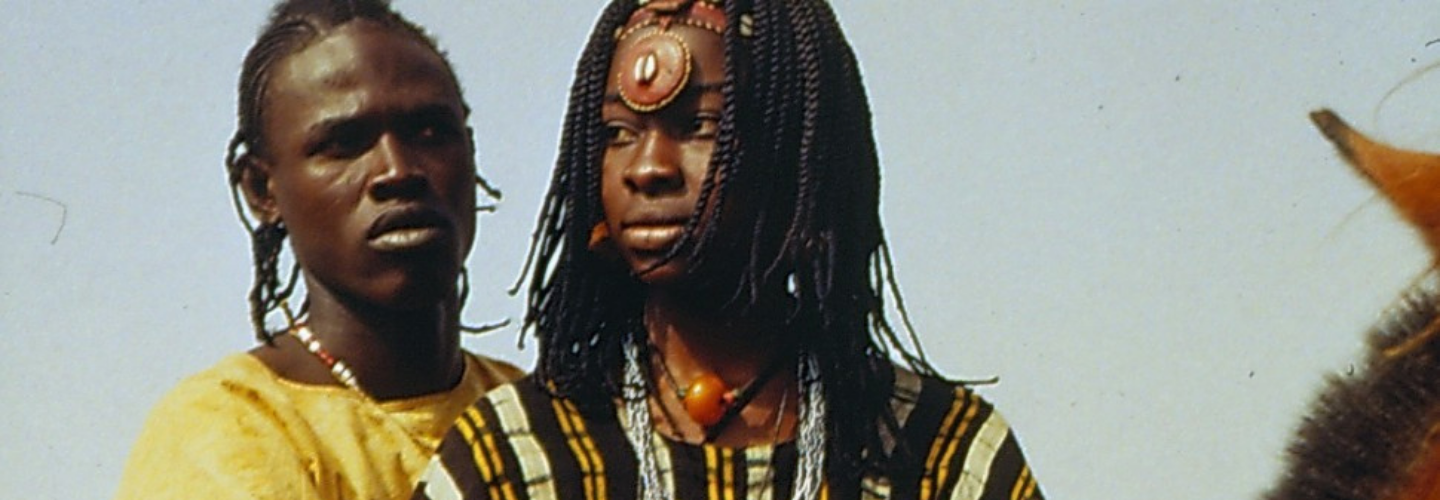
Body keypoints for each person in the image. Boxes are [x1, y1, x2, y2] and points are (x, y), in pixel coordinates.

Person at [414, 1, 1041, 499]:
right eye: (618, 134)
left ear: (798, 158)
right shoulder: (514, 456)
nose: (648, 168)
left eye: (698, 128)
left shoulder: (939, 454)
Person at [115, 1, 522, 498]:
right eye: (345, 143)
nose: (398, 170)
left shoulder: (540, 418)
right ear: (263, 191)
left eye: (431, 132)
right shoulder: (227, 430)